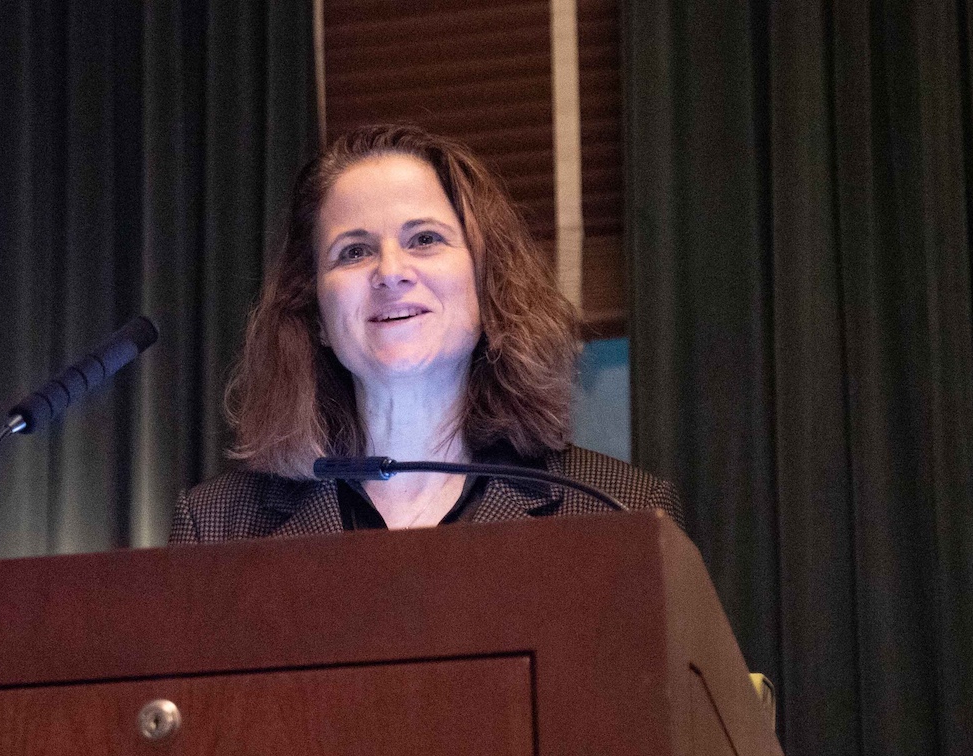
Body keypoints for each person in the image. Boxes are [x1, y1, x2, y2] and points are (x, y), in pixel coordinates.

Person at [169, 124, 682, 543]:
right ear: (316, 315)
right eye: (353, 251)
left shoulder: (621, 513)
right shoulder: (218, 527)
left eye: (424, 239)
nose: (390, 271)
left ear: (488, 286)